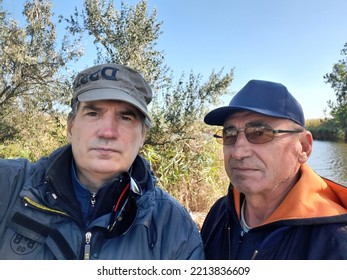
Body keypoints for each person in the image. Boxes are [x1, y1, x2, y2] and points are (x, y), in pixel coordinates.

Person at [0, 63, 204, 260]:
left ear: (143, 135)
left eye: (126, 117)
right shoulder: (8, 186)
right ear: (71, 127)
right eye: (93, 113)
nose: (107, 132)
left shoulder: (174, 226)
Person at [201, 79, 347, 260]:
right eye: (230, 134)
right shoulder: (219, 213)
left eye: (259, 133)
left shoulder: (336, 244)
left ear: (303, 147)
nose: (238, 152)